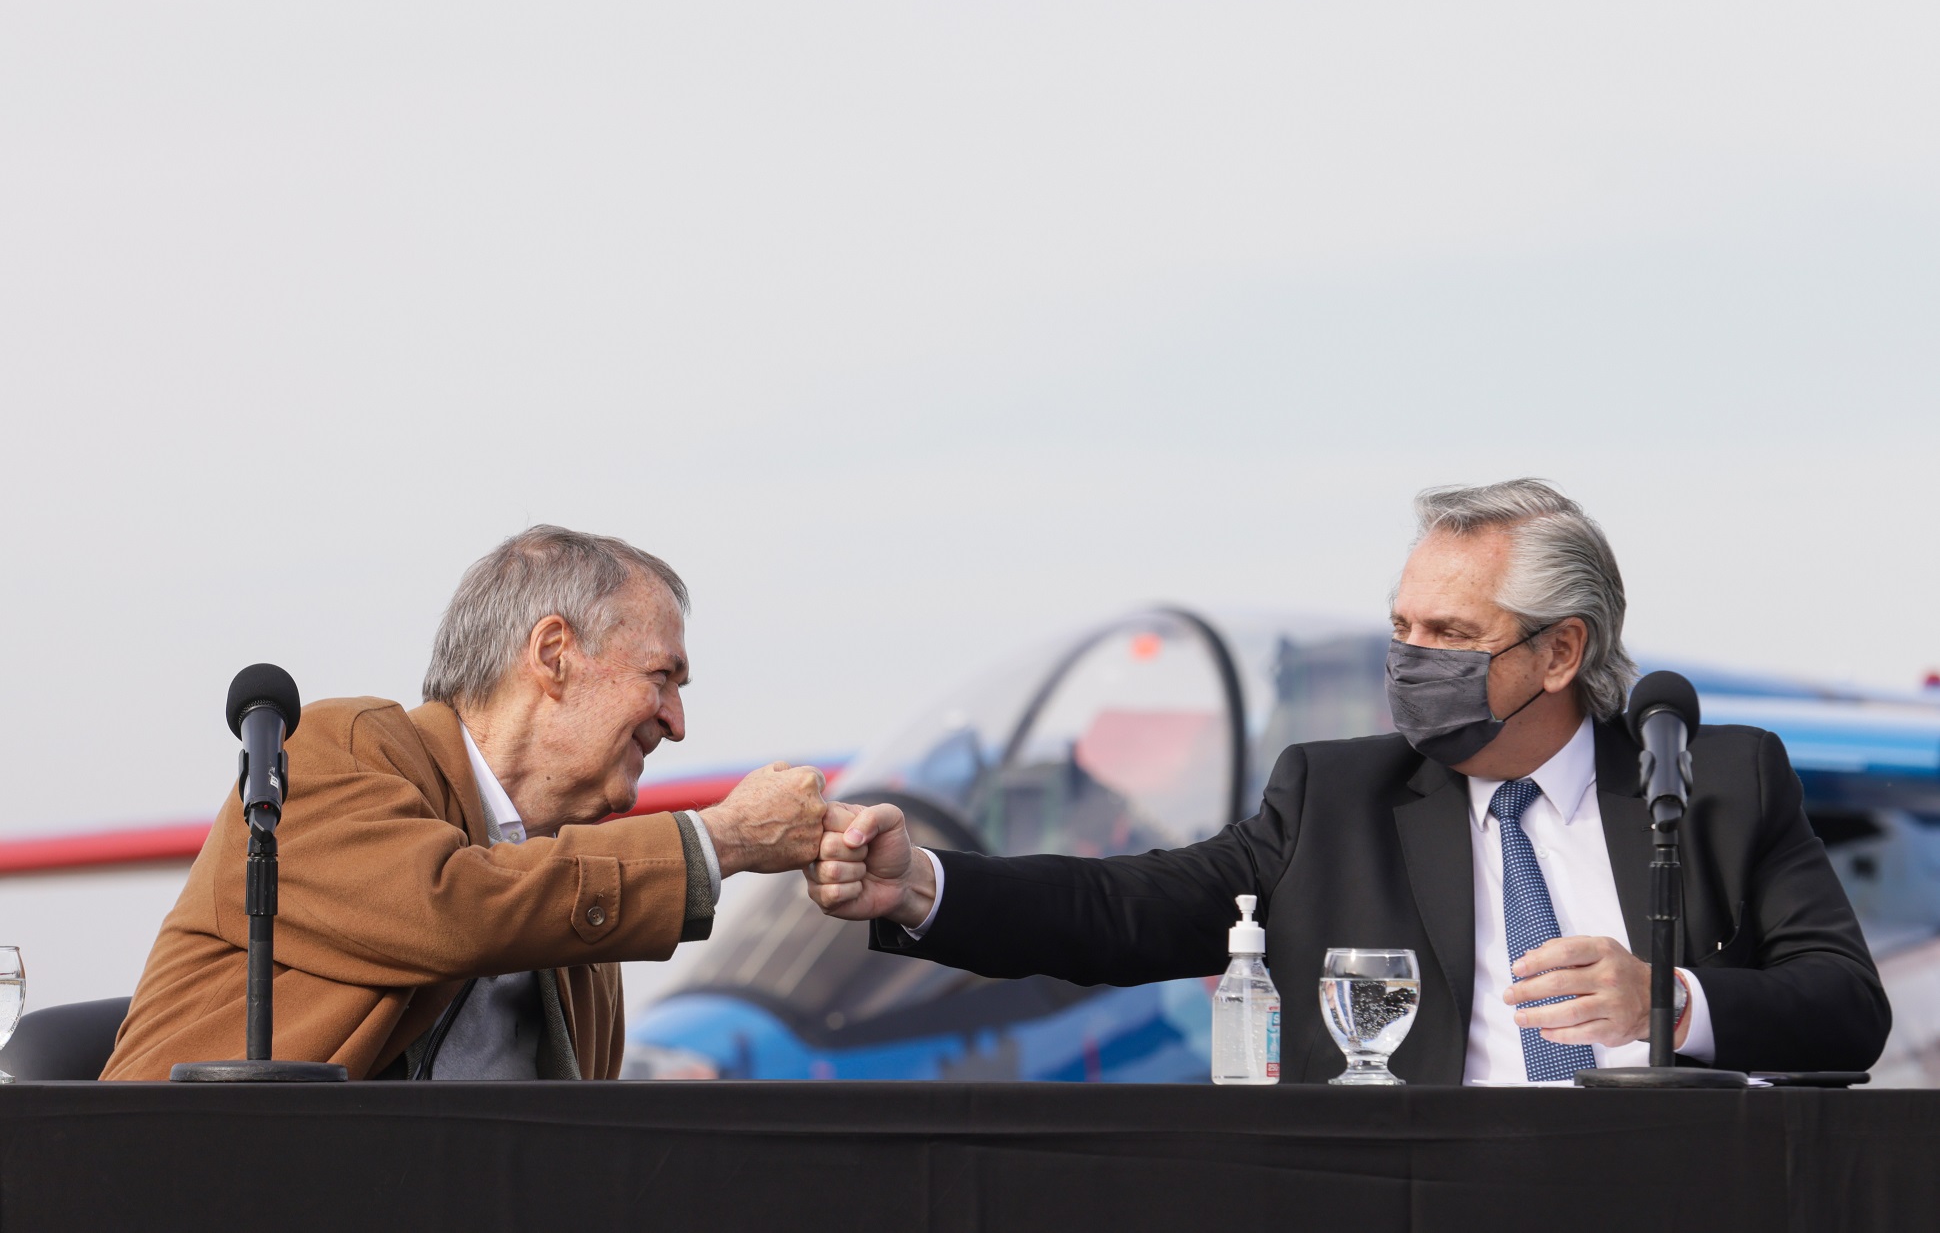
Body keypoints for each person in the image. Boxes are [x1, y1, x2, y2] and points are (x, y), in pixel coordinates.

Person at [806, 480, 1891, 1083]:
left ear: (1559, 653)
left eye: (1451, 634)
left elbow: (1844, 1009)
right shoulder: (1335, 799)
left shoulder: (1713, 786)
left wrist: (1669, 1000)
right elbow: (1124, 908)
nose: (1411, 658)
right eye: (1401, 628)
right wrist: (920, 888)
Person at [106, 526, 827, 1080]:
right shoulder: (335, 749)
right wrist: (719, 841)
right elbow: (450, 907)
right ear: (553, 654)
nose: (675, 721)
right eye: (662, 677)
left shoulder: (575, 905)